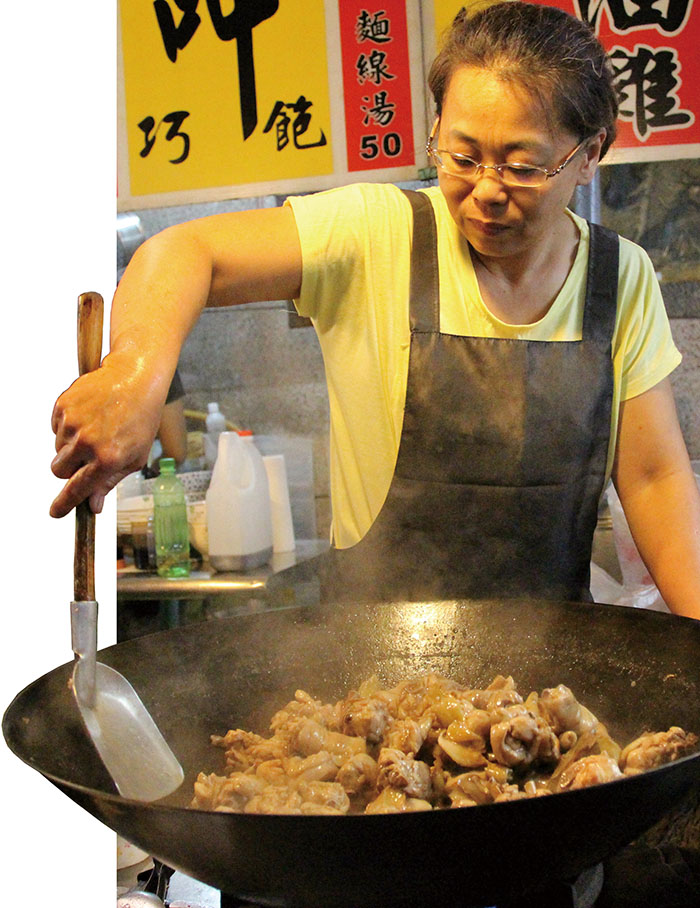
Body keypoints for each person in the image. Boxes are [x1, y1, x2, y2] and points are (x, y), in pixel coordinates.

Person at [50, 2, 700, 618]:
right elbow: (189, 251)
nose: (486, 192)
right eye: (463, 156)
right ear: (436, 130)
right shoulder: (374, 233)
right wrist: (134, 373)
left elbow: (651, 478)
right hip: (376, 665)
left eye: (523, 167)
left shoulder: (621, 277)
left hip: (552, 669)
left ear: (588, 156)